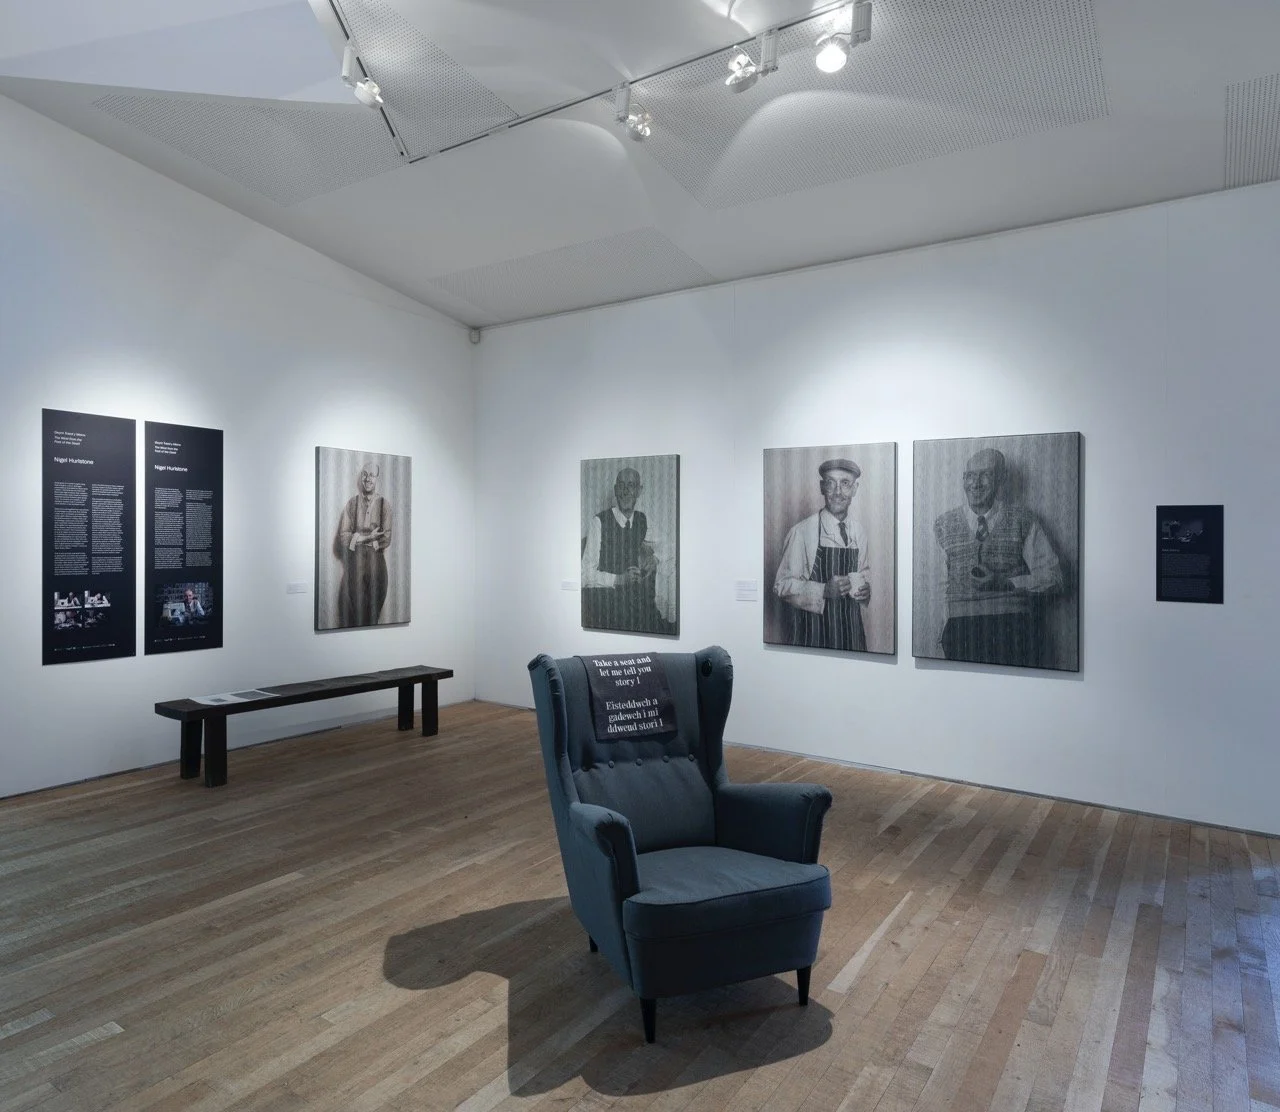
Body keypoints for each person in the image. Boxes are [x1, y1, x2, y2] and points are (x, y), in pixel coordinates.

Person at [933, 448, 1063, 667]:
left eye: (985, 474)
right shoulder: (943, 524)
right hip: (959, 631)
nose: (975, 483)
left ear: (1001, 478)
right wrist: (939, 634)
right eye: (970, 476)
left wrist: (1006, 583)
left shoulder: (1023, 519)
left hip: (1014, 630)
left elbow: (1054, 578)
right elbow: (939, 587)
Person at [774, 458, 871, 651]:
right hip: (814, 640)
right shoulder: (802, 532)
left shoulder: (859, 531)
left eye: (845, 483)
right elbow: (781, 586)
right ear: (821, 487)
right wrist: (823, 590)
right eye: (830, 483)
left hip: (853, 639)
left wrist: (866, 591)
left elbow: (863, 574)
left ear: (855, 489)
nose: (838, 492)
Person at [581, 467, 674, 634]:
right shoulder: (598, 522)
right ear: (615, 490)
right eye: (621, 486)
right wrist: (618, 579)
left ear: (639, 491)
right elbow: (584, 575)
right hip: (605, 606)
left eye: (631, 485)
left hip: (634, 605)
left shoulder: (642, 519)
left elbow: (670, 545)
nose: (625, 491)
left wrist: (655, 558)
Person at [334, 461, 392, 627]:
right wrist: (368, 538)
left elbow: (386, 537)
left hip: (377, 562)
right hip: (356, 563)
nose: (368, 479)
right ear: (361, 477)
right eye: (365, 474)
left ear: (377, 478)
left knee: (373, 615)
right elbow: (343, 536)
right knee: (358, 614)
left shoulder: (384, 505)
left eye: (372, 475)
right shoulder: (352, 504)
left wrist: (357, 537)